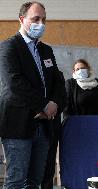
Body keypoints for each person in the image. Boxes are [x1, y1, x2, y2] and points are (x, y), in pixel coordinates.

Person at [0, 1, 65, 188]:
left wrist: (54, 105)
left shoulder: (46, 50)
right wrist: (43, 105)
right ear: (22, 19)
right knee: (16, 180)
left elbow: (58, 83)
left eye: (44, 19)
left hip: (44, 126)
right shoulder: (9, 48)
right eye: (35, 19)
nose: (41, 23)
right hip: (18, 125)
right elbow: (14, 84)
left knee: (36, 181)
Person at [41, 71, 66, 189]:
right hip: (29, 127)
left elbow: (62, 98)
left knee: (48, 167)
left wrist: (52, 109)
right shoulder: (27, 72)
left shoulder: (57, 74)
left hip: (51, 126)